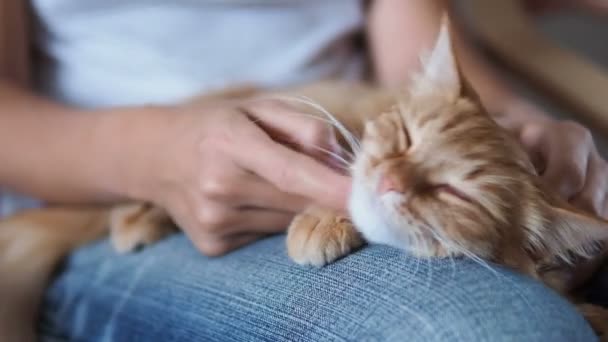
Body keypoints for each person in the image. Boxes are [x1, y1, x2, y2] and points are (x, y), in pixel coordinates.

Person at [0, 0, 603, 341]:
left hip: (357, 135)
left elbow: (428, 63)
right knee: (491, 332)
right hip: (98, 196)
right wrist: (154, 157)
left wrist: (522, 136)